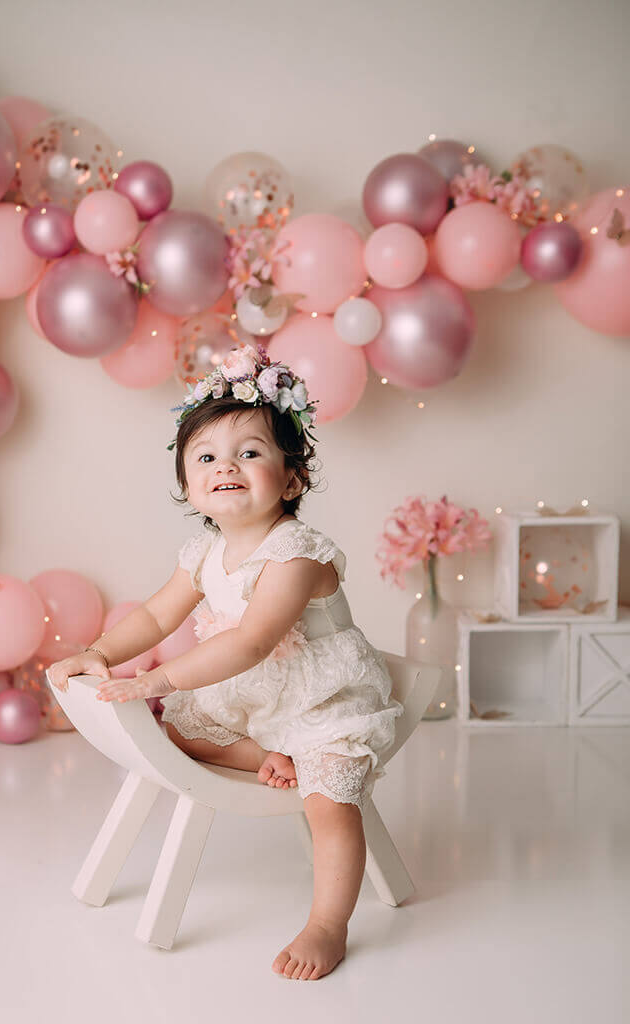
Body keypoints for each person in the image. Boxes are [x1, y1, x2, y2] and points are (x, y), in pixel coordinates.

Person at [48, 343, 403, 980]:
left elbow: (251, 642)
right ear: (188, 482)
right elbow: (158, 617)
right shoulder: (205, 550)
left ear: (291, 479)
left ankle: (328, 922)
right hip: (260, 694)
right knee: (180, 731)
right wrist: (98, 652)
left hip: (323, 698)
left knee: (330, 802)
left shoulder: (296, 553)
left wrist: (154, 678)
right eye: (207, 456)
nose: (226, 466)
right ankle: (263, 756)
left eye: (250, 452)